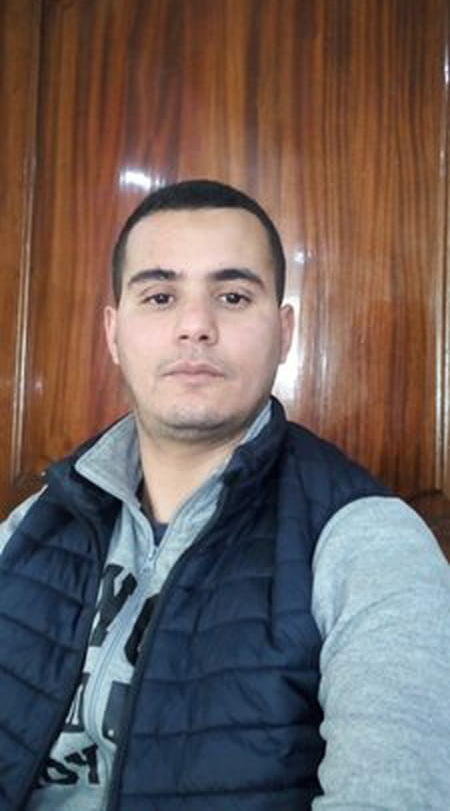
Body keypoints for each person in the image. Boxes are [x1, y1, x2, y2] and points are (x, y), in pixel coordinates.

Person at [0, 179, 448, 811]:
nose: (195, 326)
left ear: (284, 332)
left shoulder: (369, 543)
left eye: (233, 296)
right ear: (113, 333)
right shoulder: (31, 523)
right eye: (160, 296)